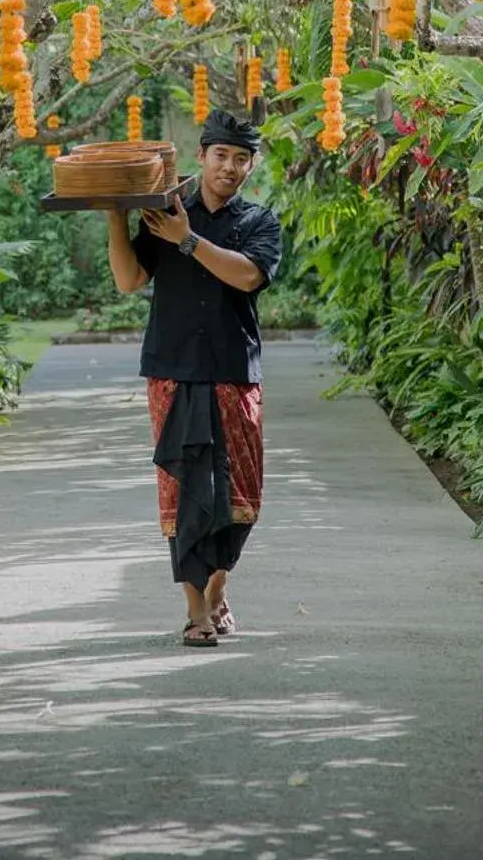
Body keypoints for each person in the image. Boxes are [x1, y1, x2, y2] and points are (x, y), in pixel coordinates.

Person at [105, 108, 283, 649]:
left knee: (242, 496)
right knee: (183, 492)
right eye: (221, 155)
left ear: (251, 165)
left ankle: (218, 589)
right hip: (172, 371)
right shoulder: (162, 214)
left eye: (241, 158)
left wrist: (188, 241)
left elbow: (247, 274)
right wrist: (116, 214)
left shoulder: (259, 223)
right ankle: (195, 611)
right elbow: (129, 280)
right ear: (202, 156)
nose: (229, 166)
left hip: (234, 371)